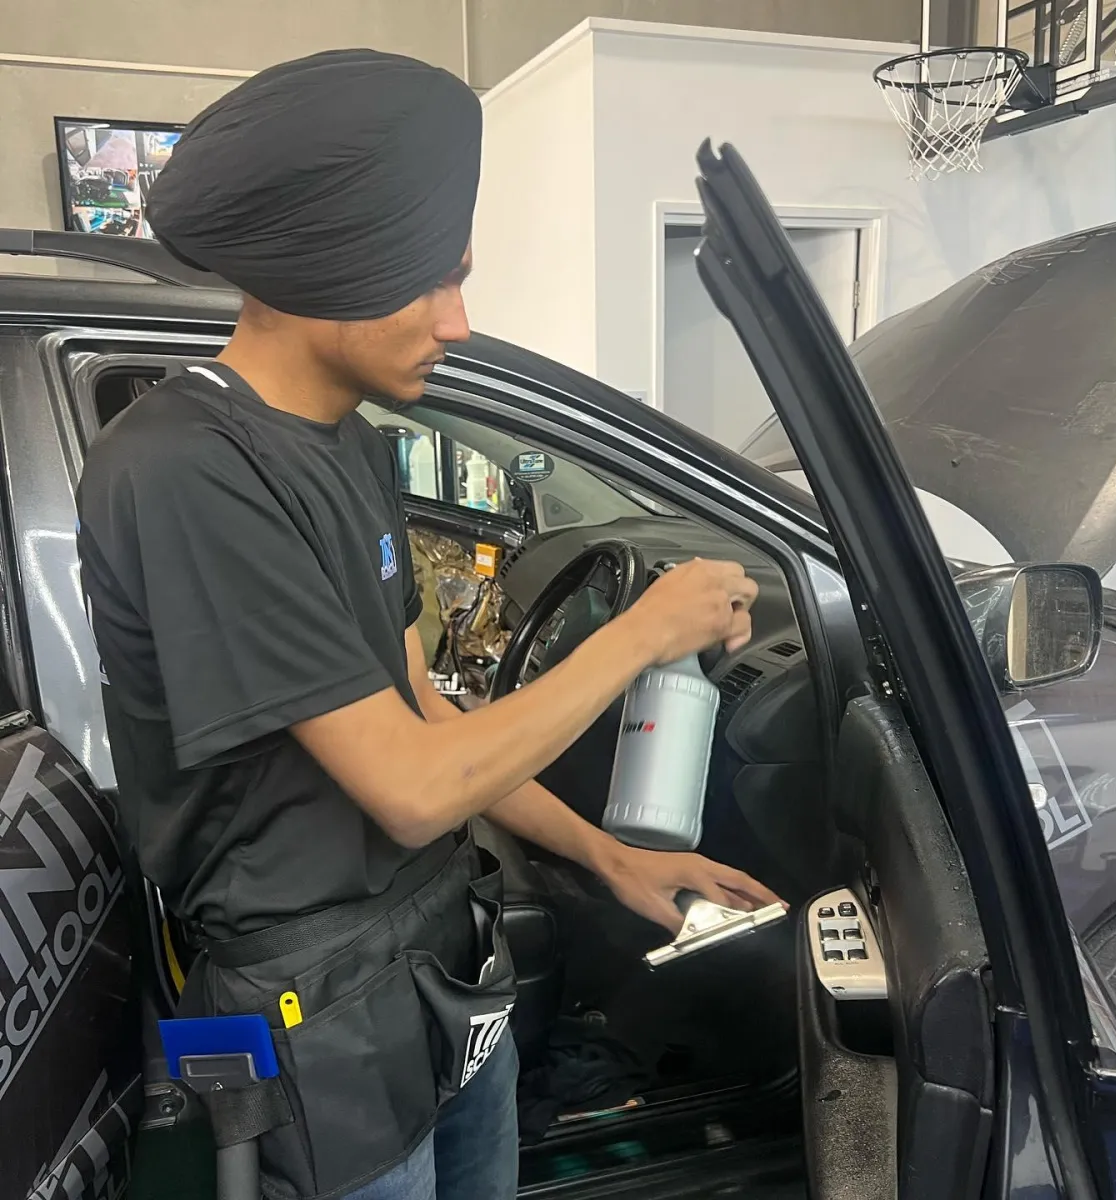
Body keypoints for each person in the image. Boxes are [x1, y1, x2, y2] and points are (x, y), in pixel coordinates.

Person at [75, 49, 781, 1200]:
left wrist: (612, 857)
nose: (456, 321)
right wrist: (640, 634)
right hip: (318, 1015)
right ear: (321, 264)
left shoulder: (353, 446)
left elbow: (427, 717)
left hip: (433, 965)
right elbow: (408, 787)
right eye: (427, 283)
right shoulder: (187, 469)